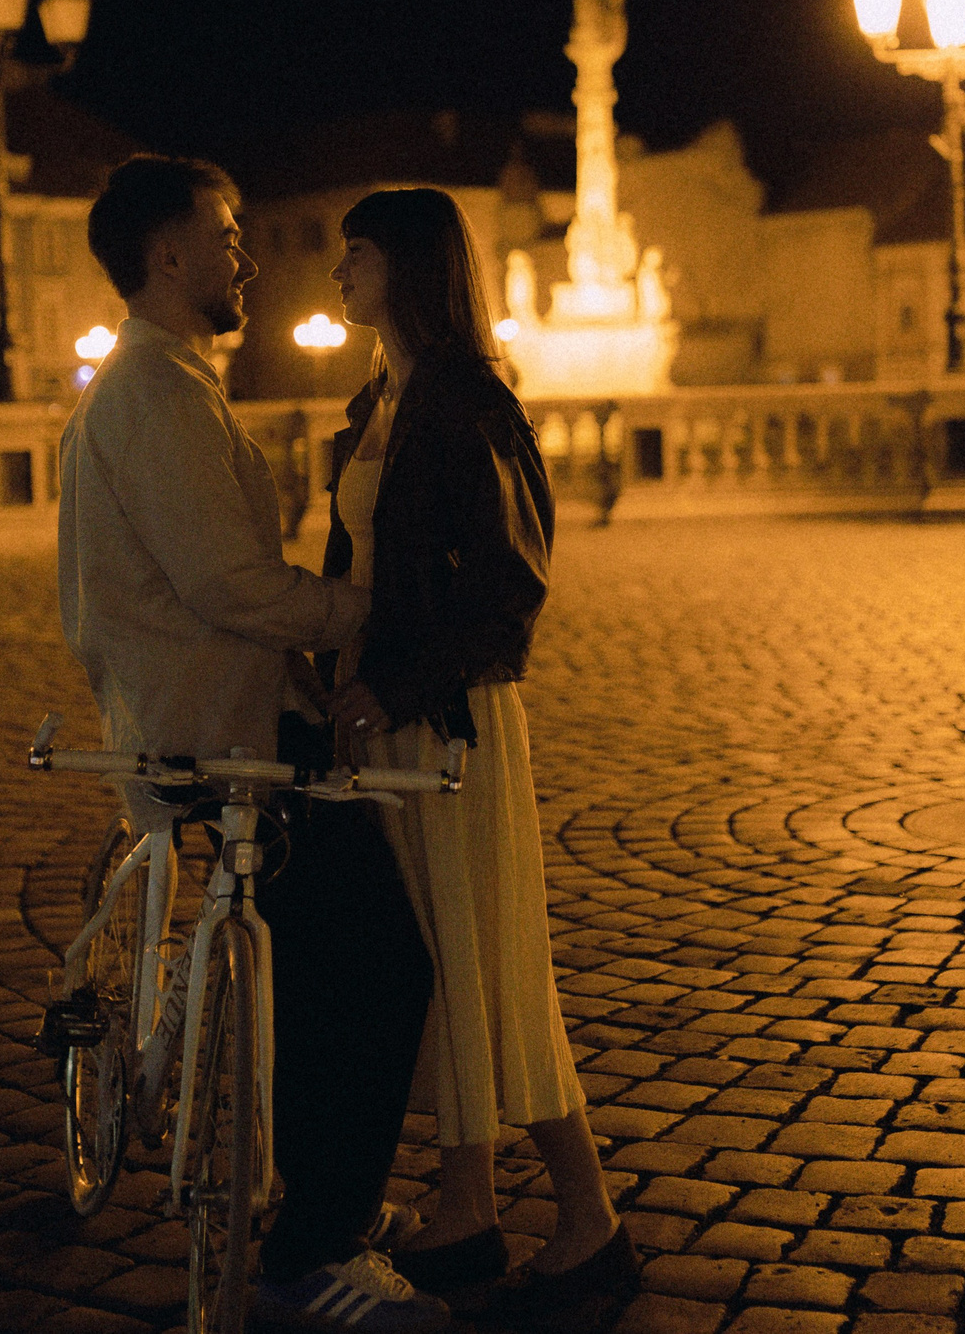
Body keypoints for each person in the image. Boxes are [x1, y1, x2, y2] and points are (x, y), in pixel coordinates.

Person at [58, 155, 448, 1334]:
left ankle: (313, 1191)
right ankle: (310, 1251)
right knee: (382, 964)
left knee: (314, 969)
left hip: (210, 717)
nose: (246, 259)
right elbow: (228, 582)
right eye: (227, 237)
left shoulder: (163, 380)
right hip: (224, 742)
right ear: (167, 253)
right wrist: (371, 615)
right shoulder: (159, 393)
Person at [322, 188, 639, 1326]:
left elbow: (512, 588)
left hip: (447, 718)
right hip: (388, 715)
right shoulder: (381, 400)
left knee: (486, 961)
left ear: (407, 267)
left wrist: (393, 686)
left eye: (356, 254)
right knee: (442, 962)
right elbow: (359, 566)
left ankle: (578, 1219)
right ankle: (473, 1204)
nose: (338, 275)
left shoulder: (467, 403)